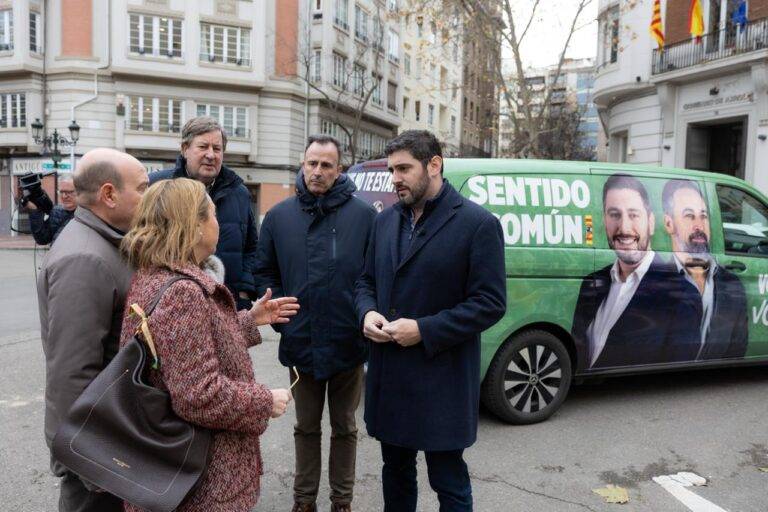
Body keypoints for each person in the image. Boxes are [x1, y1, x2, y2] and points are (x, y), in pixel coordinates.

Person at [119, 178, 298, 512]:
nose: (218, 224)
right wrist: (264, 401)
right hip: (201, 482)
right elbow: (199, 396)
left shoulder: (155, 274)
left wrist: (249, 320)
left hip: (183, 472)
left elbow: (181, 350)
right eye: (213, 215)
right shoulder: (182, 292)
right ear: (196, 225)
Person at [354, 130, 506, 511]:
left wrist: (423, 330)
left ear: (434, 165)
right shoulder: (384, 221)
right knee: (396, 471)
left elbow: (490, 303)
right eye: (392, 170)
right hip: (392, 375)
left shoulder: (478, 224)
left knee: (448, 479)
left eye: (404, 168)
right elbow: (365, 281)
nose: (395, 178)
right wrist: (367, 311)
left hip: (443, 376)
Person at [255, 135, 376, 512]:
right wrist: (281, 320)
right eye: (312, 163)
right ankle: (303, 501)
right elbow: (264, 272)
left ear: (339, 170)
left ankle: (343, 501)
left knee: (346, 428)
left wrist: (363, 319)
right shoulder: (279, 217)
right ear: (302, 164)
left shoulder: (365, 217)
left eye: (326, 165)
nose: (318, 171)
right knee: (305, 427)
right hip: (301, 343)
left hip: (347, 344)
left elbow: (372, 278)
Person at [37, 148, 149, 512]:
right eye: (143, 188)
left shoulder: (105, 243)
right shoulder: (85, 258)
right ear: (109, 194)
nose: (149, 198)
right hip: (97, 455)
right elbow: (71, 374)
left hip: (111, 439)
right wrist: (90, 462)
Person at [571, 174, 702, 369]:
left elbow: (676, 383)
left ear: (651, 223)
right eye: (614, 214)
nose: (624, 227)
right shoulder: (593, 282)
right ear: (604, 221)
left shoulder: (681, 294)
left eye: (633, 215)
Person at [150, 116, 258, 310]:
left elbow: (251, 247)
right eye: (203, 147)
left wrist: (244, 291)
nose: (211, 155)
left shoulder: (239, 193)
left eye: (217, 149)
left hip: (229, 305)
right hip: (172, 306)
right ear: (185, 149)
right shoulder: (158, 187)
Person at [662, 178, 748, 360]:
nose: (699, 226)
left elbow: (737, 349)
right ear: (669, 224)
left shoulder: (732, 284)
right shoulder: (654, 281)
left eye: (703, 216)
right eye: (689, 216)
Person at [28, 174, 76, 245]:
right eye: (61, 192)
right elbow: (42, 239)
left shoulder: (89, 213)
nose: (64, 196)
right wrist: (34, 210)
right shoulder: (56, 212)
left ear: (80, 192)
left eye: (69, 192)